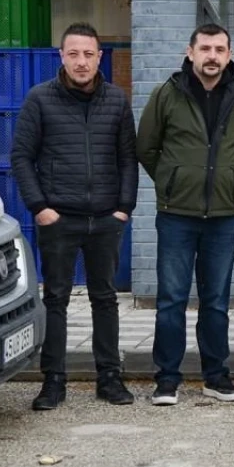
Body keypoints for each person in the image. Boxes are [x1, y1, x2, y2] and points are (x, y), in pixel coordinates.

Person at [11, 23, 137, 411]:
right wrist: (40, 208)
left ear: (100, 57)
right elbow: (21, 157)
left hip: (104, 218)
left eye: (88, 54)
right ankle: (53, 380)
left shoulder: (116, 101)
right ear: (61, 57)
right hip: (59, 218)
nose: (81, 62)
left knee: (105, 298)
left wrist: (123, 209)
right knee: (57, 299)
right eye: (73, 54)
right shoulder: (40, 100)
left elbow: (128, 159)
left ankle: (109, 377)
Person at [137, 23, 234, 406]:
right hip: (177, 215)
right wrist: (172, 182)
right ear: (190, 52)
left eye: (219, 49)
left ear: (229, 54)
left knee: (216, 301)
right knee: (171, 298)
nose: (212, 56)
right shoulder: (166, 95)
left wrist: (224, 180)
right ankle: (167, 379)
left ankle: (215, 376)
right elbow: (147, 147)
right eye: (205, 48)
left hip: (223, 216)